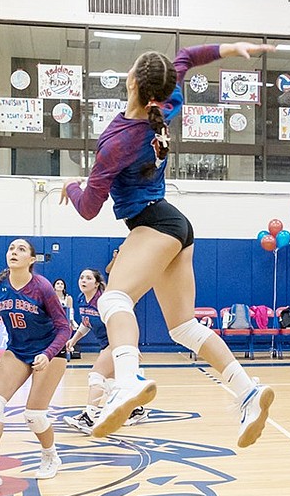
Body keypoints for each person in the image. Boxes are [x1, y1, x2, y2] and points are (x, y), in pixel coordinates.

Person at [60, 41, 275, 445]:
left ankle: (128, 380)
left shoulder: (116, 140)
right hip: (174, 223)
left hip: (152, 223)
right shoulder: (166, 105)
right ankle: (247, 392)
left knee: (113, 300)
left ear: (131, 81)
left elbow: (89, 208)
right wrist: (231, 49)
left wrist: (72, 186)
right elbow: (189, 58)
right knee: (184, 327)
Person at [0, 239, 71, 494]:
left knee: (33, 415)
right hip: (18, 350)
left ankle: (51, 455)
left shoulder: (42, 287)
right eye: (11, 248)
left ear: (31, 259)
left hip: (50, 351)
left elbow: (65, 328)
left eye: (21, 249)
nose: (14, 252)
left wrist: (49, 353)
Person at [62, 267, 148, 435]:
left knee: (96, 375)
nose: (83, 280)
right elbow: (86, 323)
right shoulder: (81, 299)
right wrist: (73, 340)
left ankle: (89, 417)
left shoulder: (104, 301)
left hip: (117, 343)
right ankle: (137, 411)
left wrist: (131, 347)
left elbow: (125, 321)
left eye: (88, 278)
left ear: (97, 284)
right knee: (113, 383)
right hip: (106, 344)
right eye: (81, 277)